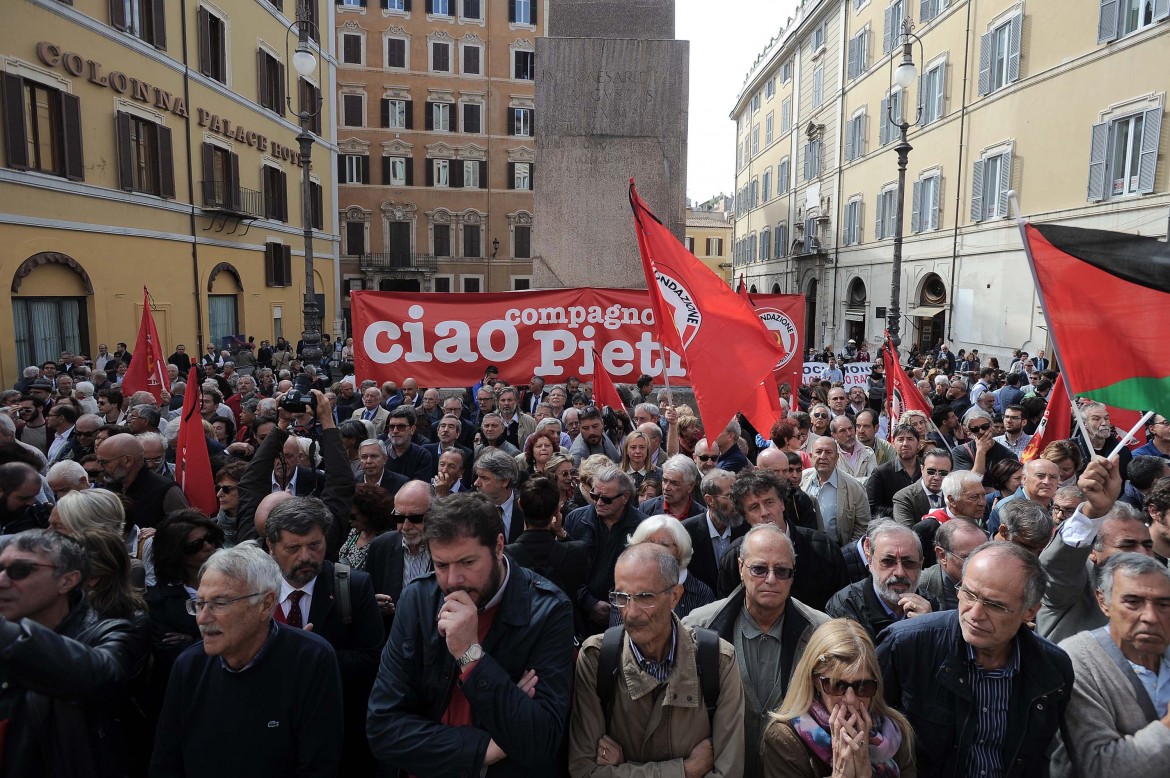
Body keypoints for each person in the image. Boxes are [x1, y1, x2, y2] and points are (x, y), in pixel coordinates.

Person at [367, 492, 576, 775]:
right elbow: (382, 728)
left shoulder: (549, 610)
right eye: (441, 565)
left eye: (467, 563)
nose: (453, 581)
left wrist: (471, 656)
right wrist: (486, 747)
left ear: (499, 547)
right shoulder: (417, 599)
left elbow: (540, 740)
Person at [877, 541, 1074, 778]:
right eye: (969, 594)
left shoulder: (1052, 668)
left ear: (1030, 611)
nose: (975, 614)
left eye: (995, 605)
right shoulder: (907, 646)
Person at [150, 543, 344, 778]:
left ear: (265, 604)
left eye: (220, 603)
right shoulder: (188, 666)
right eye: (199, 603)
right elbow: (166, 763)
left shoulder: (311, 660)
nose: (202, 618)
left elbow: (317, 766)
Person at [568, 544, 745, 777]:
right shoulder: (597, 658)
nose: (631, 612)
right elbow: (583, 771)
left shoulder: (718, 660)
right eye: (621, 597)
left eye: (644, 597)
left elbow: (728, 772)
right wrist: (687, 770)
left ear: (675, 596)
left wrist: (622, 768)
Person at [0, 529, 148, 778]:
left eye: (20, 570)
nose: (2, 580)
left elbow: (102, 677)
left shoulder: (109, 632)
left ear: (67, 580)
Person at [685, 524, 831, 776]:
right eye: (759, 569)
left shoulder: (821, 633)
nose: (771, 579)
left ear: (792, 575)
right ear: (741, 568)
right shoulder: (699, 628)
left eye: (782, 571)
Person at [264, 496, 383, 775]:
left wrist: (311, 656)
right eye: (293, 547)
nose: (305, 556)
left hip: (336, 734)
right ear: (271, 546)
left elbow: (373, 660)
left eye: (314, 545)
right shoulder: (254, 590)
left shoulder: (352, 586)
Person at [1050, 552, 1170, 777]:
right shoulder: (1078, 658)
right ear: (1104, 602)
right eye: (1133, 602)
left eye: (1163, 604)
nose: (1151, 616)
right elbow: (1099, 766)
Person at [764, 618, 916, 778]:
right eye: (837, 685)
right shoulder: (785, 740)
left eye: (862, 686)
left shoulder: (895, 732)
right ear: (815, 681)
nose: (850, 699)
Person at [1038, 456, 1156, 643]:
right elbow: (1058, 567)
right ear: (1092, 550)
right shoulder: (1074, 581)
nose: (1141, 553)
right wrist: (1093, 512)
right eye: (1127, 545)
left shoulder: (1160, 580)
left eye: (1147, 545)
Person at [716, 469, 847, 611]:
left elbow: (841, 606)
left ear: (782, 504)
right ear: (745, 516)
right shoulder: (733, 557)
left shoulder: (823, 549)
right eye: (754, 507)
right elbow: (727, 611)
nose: (765, 512)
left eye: (769, 502)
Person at [145, 511, 225, 705]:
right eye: (195, 546)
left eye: (210, 538)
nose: (208, 547)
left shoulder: (237, 583)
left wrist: (191, 640)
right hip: (186, 696)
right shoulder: (158, 600)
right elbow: (170, 654)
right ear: (176, 553)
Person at [826, 520, 935, 642]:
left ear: (921, 565)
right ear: (870, 560)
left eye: (908, 562)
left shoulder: (934, 609)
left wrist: (932, 629)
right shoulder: (845, 608)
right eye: (888, 561)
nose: (899, 572)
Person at [507, 475, 590, 632]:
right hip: (566, 631)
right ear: (557, 510)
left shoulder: (505, 556)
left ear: (519, 505)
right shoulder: (577, 551)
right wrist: (561, 533)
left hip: (521, 635)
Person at [618, 515, 715, 624]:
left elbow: (705, 635)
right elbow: (620, 631)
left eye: (664, 544)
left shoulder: (701, 593)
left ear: (680, 550)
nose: (655, 550)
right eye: (648, 543)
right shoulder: (625, 587)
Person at [97, 433, 189, 527]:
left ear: (128, 460)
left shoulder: (166, 490)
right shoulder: (111, 486)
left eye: (104, 462)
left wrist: (158, 533)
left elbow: (186, 529)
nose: (99, 468)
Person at [682, 468, 747, 593]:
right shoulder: (687, 532)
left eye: (738, 495)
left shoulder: (746, 529)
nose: (737, 501)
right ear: (710, 500)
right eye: (729, 496)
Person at [802, 436, 872, 546]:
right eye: (818, 452)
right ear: (811, 456)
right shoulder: (802, 479)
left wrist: (846, 553)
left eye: (828, 452)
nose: (823, 457)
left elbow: (862, 526)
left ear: (837, 457)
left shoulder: (854, 487)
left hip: (838, 551)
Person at [917, 518, 986, 610]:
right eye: (968, 557)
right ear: (942, 555)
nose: (979, 565)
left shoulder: (995, 582)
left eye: (984, 556)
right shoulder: (920, 586)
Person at [987, 457, 1061, 535]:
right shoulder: (1004, 508)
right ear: (1024, 479)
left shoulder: (1064, 507)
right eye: (1040, 476)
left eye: (1053, 477)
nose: (1047, 482)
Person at [866, 424, 923, 515]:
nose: (905, 444)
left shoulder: (927, 471)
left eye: (910, 439)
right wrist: (902, 513)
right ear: (893, 444)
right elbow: (872, 507)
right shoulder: (881, 473)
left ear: (918, 444)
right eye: (900, 439)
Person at [339, 481, 395, 571]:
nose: (349, 521)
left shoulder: (385, 541)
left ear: (368, 513)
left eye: (353, 516)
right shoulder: (355, 532)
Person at [891, 448, 952, 527]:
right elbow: (907, 533)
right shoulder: (904, 497)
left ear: (951, 473)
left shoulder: (956, 495)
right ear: (922, 469)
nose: (937, 477)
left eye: (943, 473)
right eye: (931, 471)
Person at [639, 453, 705, 520]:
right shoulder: (647, 508)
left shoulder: (702, 516)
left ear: (690, 486)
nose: (666, 488)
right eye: (664, 481)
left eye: (674, 483)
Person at [384, 405, 434, 482]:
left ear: (412, 429)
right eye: (391, 426)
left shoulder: (422, 455)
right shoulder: (381, 453)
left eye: (401, 427)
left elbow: (419, 486)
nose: (395, 431)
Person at [830, 415, 877, 483]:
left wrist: (848, 482)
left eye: (850, 428)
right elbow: (835, 483)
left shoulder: (868, 453)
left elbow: (873, 481)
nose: (849, 434)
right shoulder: (830, 455)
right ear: (834, 435)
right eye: (843, 431)